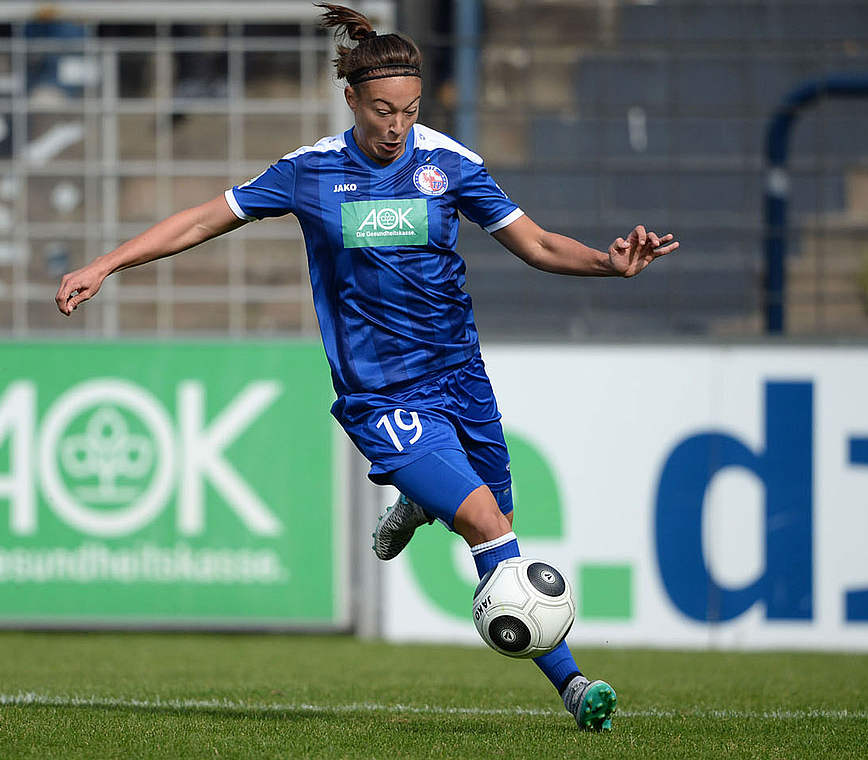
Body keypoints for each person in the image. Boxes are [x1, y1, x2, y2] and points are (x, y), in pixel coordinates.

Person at [55, 2, 677, 732]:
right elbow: (200, 219)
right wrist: (108, 262)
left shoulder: (451, 166)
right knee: (484, 524)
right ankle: (575, 688)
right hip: (383, 395)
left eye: (409, 111)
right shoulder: (308, 173)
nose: (396, 127)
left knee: (500, 523)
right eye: (383, 110)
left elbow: (536, 245)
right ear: (351, 98)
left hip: (461, 379)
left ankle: (418, 504)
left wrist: (609, 264)